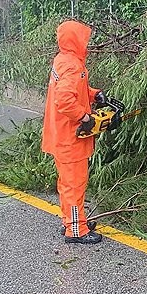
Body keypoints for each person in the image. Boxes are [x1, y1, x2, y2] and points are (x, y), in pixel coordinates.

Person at [41, 20, 103, 244]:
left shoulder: (64, 59)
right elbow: (65, 100)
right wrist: (85, 117)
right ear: (76, 40)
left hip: (61, 135)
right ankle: (76, 230)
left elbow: (75, 89)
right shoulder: (72, 65)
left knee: (67, 182)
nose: (87, 42)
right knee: (74, 184)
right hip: (70, 137)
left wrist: (94, 95)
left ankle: (72, 220)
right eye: (84, 38)